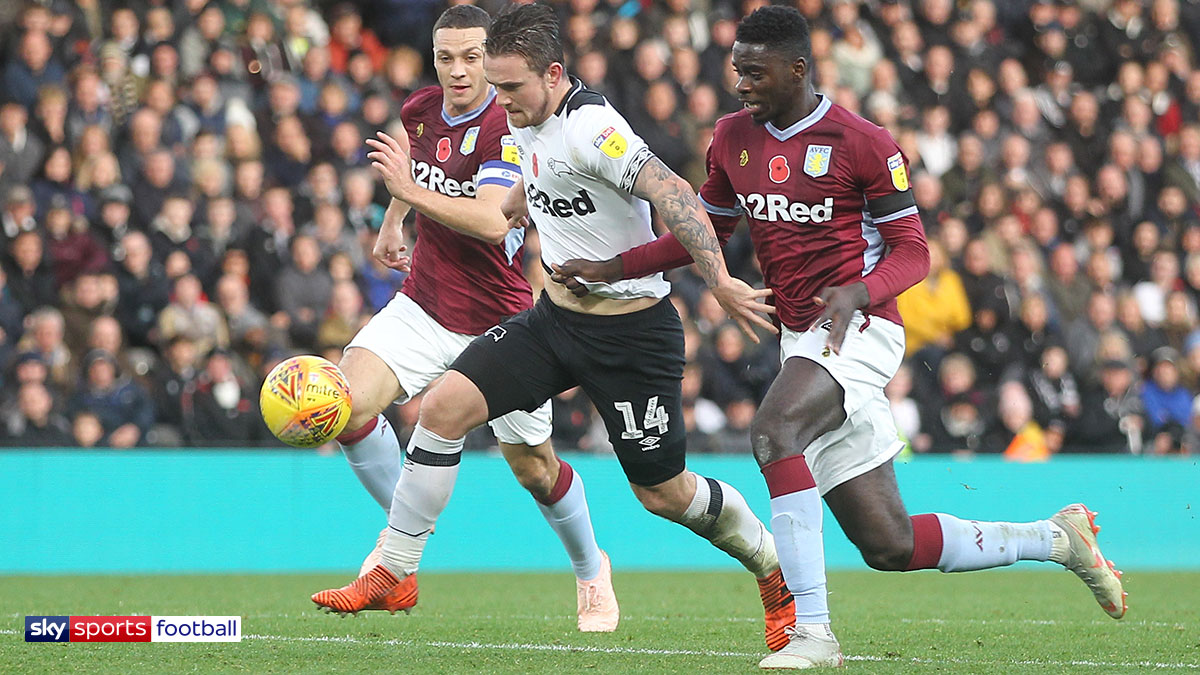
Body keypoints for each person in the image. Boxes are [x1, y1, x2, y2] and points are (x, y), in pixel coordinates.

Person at [553, 7, 1126, 669]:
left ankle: (813, 634)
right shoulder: (733, 137)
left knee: (772, 431)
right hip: (803, 341)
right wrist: (613, 267)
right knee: (889, 543)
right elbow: (705, 232)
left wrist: (863, 290)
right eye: (736, 68)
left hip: (863, 328)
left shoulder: (862, 142)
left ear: (798, 69)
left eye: (754, 71)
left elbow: (915, 253)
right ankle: (1058, 538)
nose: (739, 82)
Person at [314, 2, 790, 652]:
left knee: (664, 493)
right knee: (446, 406)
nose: (499, 99)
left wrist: (721, 279)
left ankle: (769, 566)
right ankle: (394, 569)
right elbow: (521, 194)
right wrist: (501, 209)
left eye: (510, 86)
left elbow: (673, 191)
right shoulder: (526, 121)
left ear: (554, 73)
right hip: (554, 321)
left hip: (632, 334)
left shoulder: (593, 128)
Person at [309, 5, 618, 633]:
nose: (458, 70)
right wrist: (395, 222)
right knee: (341, 407)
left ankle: (591, 570)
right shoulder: (420, 110)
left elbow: (488, 220)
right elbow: (418, 171)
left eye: (472, 56)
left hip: (499, 321)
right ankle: (399, 559)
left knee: (534, 467)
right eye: (445, 56)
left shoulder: (510, 126)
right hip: (423, 303)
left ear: (492, 55)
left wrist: (406, 195)